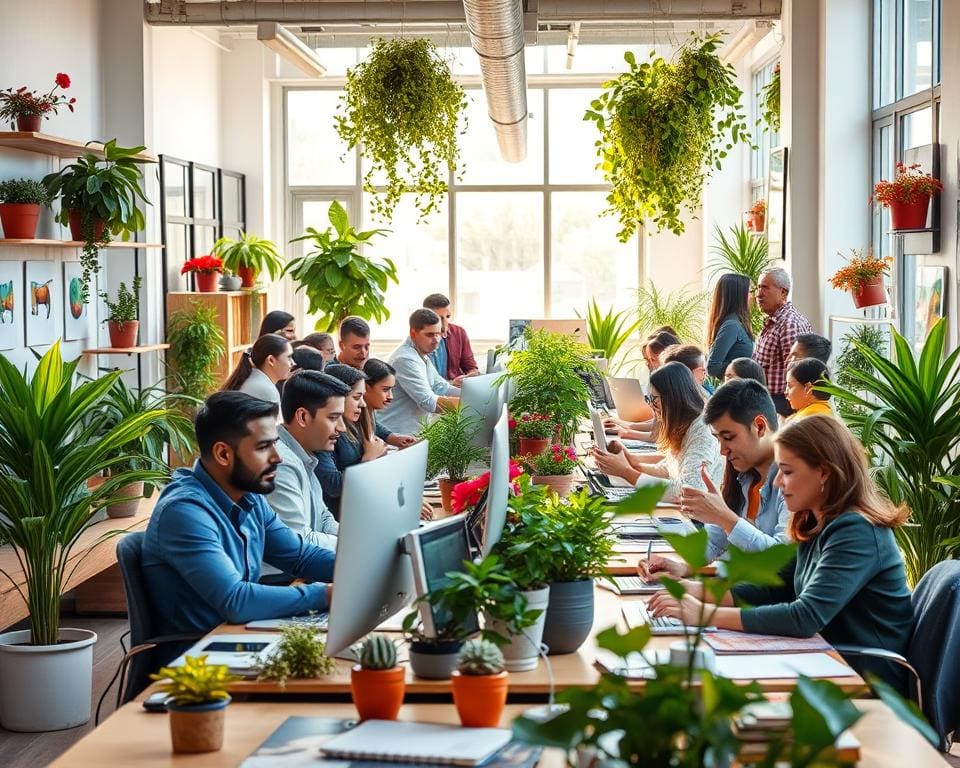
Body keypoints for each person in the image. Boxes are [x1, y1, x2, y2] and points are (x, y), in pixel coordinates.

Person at [647, 415, 913, 691]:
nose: (776, 484)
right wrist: (691, 589)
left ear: (823, 472)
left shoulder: (857, 531)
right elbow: (773, 589)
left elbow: (805, 616)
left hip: (868, 682)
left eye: (786, 471)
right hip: (827, 662)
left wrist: (705, 614)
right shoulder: (815, 521)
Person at [141, 392, 336, 639]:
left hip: (243, 635)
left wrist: (362, 570)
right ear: (223, 454)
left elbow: (300, 557)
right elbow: (235, 600)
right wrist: (327, 594)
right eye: (264, 446)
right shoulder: (184, 512)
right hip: (199, 657)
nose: (277, 458)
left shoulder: (248, 496)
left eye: (275, 444)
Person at [639, 379, 789, 578]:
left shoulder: (794, 480)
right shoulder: (743, 477)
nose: (723, 450)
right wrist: (681, 566)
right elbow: (714, 541)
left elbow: (782, 561)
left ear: (760, 427)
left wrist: (724, 517)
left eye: (728, 438)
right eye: (718, 439)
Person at [590, 362, 723, 503]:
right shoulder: (684, 426)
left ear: (673, 399)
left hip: (699, 522)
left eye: (654, 399)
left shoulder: (702, 435)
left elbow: (689, 490)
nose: (651, 405)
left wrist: (627, 472)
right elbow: (669, 470)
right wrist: (631, 461)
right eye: (649, 399)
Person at [264, 371, 349, 568]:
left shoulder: (305, 455)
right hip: (281, 580)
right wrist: (354, 545)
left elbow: (323, 518)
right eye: (333, 418)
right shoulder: (281, 462)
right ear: (302, 416)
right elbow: (299, 540)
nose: (341, 428)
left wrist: (355, 538)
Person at [314, 364, 387, 520]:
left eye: (362, 396)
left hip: (365, 508)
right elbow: (333, 486)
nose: (363, 404)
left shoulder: (358, 423)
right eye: (356, 397)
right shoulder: (326, 434)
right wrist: (368, 459)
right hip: (343, 519)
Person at [379, 309, 461, 437]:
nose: (436, 339)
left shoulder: (421, 353)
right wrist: (471, 406)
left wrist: (474, 395)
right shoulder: (405, 359)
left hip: (412, 434)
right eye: (429, 335)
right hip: (396, 436)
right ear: (413, 333)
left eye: (438, 334)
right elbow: (428, 401)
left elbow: (441, 387)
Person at [752, 267, 814, 417]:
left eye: (765, 288)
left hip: (781, 406)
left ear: (783, 292)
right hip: (769, 402)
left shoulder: (789, 324)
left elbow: (797, 372)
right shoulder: (775, 321)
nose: (759, 294)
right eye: (758, 287)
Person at [422, 293, 480, 386]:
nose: (445, 324)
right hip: (433, 392)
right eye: (439, 318)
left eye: (448, 316)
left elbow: (472, 368)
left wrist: (468, 377)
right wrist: (451, 384)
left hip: (456, 389)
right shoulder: (420, 340)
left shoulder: (459, 332)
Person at [222, 333, 294, 408]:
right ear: (271, 360)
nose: (293, 363)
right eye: (289, 357)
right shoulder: (266, 390)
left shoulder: (254, 379)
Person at [705, 273, 755, 379]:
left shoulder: (739, 322)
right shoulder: (731, 325)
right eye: (750, 292)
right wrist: (742, 370)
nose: (753, 296)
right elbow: (713, 367)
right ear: (739, 295)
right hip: (736, 390)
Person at [362, 358, 418, 449]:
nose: (390, 396)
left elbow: (373, 424)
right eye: (385, 390)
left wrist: (391, 437)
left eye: (391, 389)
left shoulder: (367, 413)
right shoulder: (351, 418)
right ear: (366, 387)